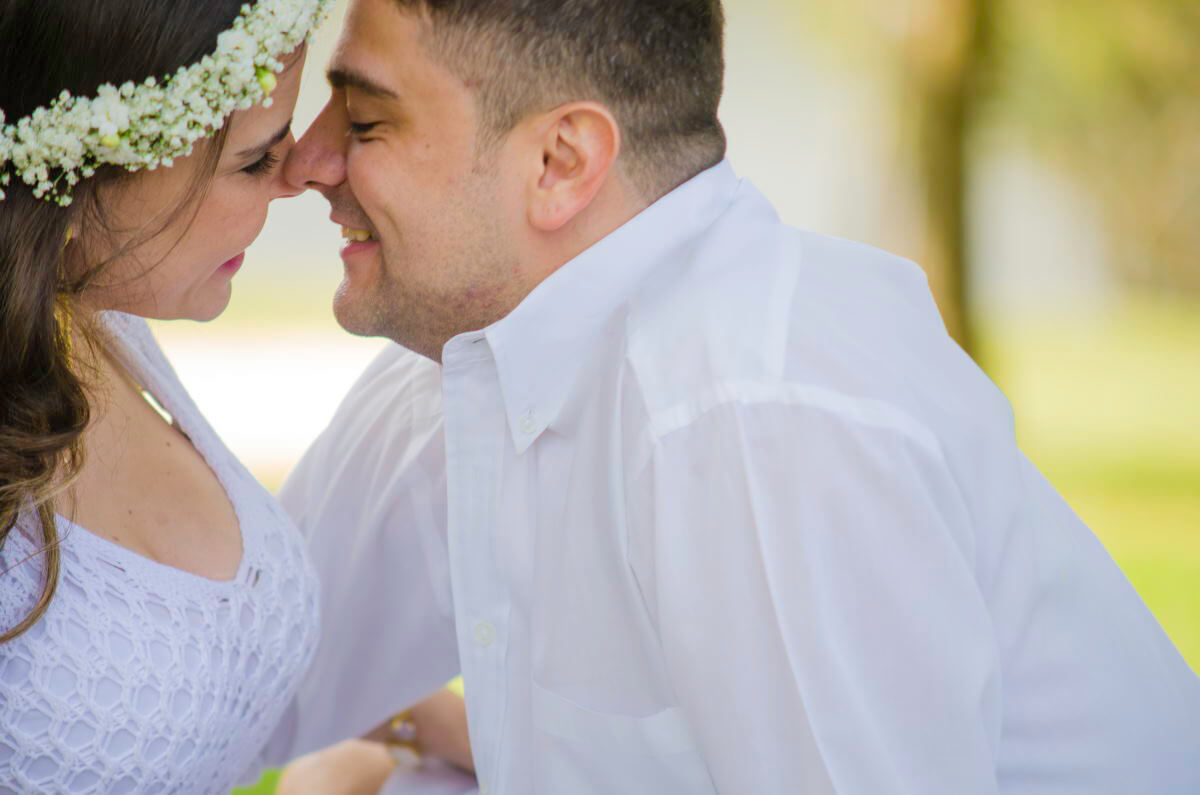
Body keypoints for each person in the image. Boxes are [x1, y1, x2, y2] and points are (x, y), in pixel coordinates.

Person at [279, 0, 1200, 792]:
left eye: (365, 124)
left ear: (560, 161)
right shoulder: (474, 366)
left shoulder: (751, 417)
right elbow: (260, 673)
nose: (307, 162)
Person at [0, 1, 469, 792]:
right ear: (75, 181)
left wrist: (419, 725)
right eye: (255, 161)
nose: (302, 180)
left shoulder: (101, 325)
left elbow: (180, 666)